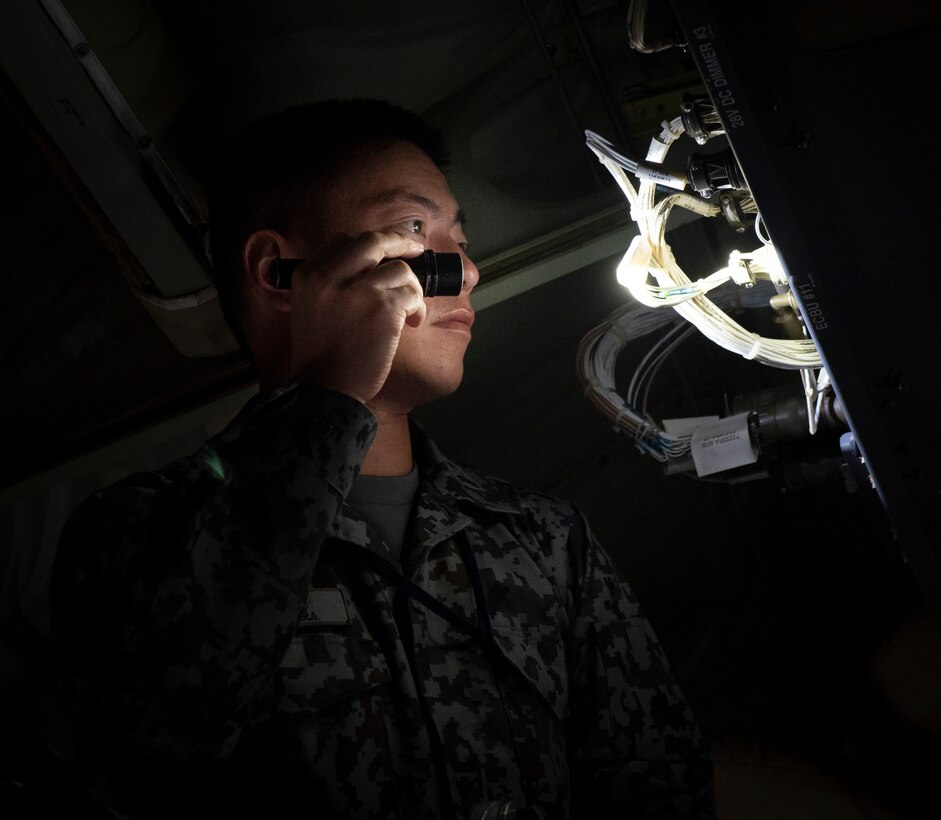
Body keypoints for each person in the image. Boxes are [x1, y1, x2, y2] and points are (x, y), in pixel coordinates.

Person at [48, 98, 716, 820]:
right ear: (279, 274)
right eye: (412, 228)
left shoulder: (547, 543)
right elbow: (161, 737)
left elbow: (657, 786)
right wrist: (328, 392)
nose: (464, 270)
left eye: (460, 237)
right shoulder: (141, 531)